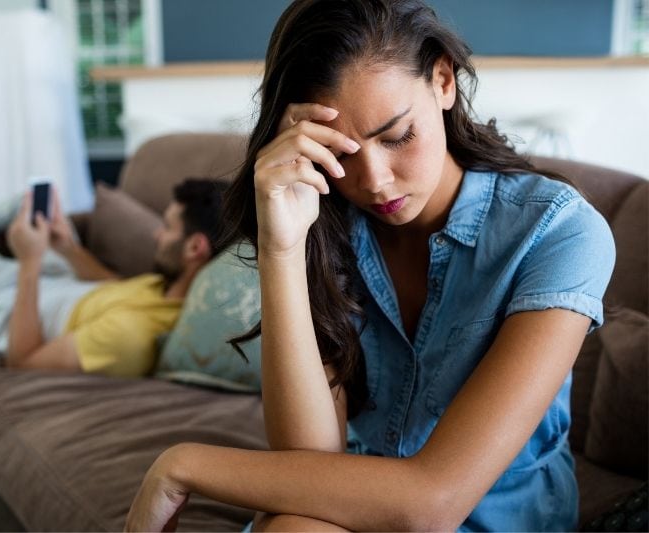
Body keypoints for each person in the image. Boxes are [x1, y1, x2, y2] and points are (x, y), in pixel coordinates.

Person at [123, 0, 616, 531]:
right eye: (342, 155)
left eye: (397, 136)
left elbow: (432, 503)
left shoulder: (559, 233)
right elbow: (310, 456)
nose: (375, 181)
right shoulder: (327, 225)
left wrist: (182, 466)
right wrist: (283, 249)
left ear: (443, 81)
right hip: (351, 504)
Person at [0, 142, 228, 376]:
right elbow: (112, 287)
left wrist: (30, 264)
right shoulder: (170, 292)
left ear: (194, 248)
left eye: (167, 228)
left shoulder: (133, 337)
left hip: (0, 305)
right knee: (34, 206)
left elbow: (22, 362)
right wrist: (66, 247)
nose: (156, 235)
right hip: (59, 284)